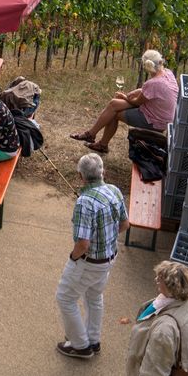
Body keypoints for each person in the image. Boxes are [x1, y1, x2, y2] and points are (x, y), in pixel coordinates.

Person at [56, 152, 129, 360]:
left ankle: (80, 345)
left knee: (65, 298)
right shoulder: (114, 191)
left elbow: (83, 243)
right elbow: (125, 224)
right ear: (102, 172)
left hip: (89, 262)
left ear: (81, 176)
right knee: (94, 296)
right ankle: (93, 339)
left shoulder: (85, 202)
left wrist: (73, 258)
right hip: (108, 258)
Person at [71, 49, 177, 154]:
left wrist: (125, 96)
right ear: (160, 61)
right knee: (114, 103)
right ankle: (93, 136)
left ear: (146, 65)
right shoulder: (168, 73)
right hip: (161, 116)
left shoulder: (154, 83)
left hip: (154, 121)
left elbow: (136, 102)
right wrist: (133, 93)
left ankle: (99, 142)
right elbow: (150, 93)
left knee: (114, 113)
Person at [124, 261, 188, 376]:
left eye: (160, 279)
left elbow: (152, 375)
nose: (156, 279)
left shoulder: (164, 331)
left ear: (171, 287)